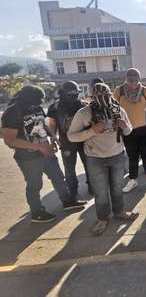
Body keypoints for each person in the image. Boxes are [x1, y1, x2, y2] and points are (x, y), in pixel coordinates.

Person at [1, 85, 86, 223]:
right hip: (28, 157)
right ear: (27, 98)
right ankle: (37, 212)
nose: (40, 102)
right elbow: (9, 140)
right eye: (38, 100)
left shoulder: (36, 107)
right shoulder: (12, 112)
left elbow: (43, 123)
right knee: (35, 184)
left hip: (46, 151)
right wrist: (37, 147)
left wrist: (53, 137)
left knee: (58, 177)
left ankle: (67, 201)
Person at [68, 83, 138, 235]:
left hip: (117, 155)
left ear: (110, 94)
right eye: (99, 96)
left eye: (106, 95)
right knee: (100, 192)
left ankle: (119, 212)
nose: (104, 98)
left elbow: (128, 131)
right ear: (93, 97)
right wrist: (92, 131)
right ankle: (103, 219)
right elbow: (71, 136)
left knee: (117, 188)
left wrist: (125, 126)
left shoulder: (118, 108)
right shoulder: (84, 112)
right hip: (95, 158)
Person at [114, 68, 146, 193]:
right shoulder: (119, 91)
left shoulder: (145, 90)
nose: (133, 83)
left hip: (145, 129)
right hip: (127, 130)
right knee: (132, 156)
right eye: (130, 80)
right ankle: (133, 180)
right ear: (126, 79)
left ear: (139, 79)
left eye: (135, 80)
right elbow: (113, 107)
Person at [47, 81, 91, 196]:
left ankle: (92, 185)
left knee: (89, 165)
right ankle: (73, 190)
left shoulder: (83, 104)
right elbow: (52, 124)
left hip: (84, 141)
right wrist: (53, 138)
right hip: (66, 143)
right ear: (63, 93)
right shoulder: (55, 107)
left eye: (76, 93)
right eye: (71, 93)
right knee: (69, 168)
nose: (74, 95)